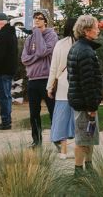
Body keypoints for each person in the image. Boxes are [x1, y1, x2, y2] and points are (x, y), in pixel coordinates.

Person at [66, 15, 103, 174]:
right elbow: (87, 82)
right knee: (83, 138)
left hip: (81, 101)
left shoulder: (77, 47)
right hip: (85, 104)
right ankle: (79, 171)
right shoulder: (85, 51)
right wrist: (91, 106)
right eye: (96, 27)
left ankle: (89, 167)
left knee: (90, 135)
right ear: (87, 31)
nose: (98, 30)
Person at [20, 11, 56, 146]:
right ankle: (36, 140)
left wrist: (38, 34)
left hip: (47, 79)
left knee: (53, 110)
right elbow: (24, 58)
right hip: (32, 80)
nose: (37, 20)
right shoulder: (30, 38)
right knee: (34, 112)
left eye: (40, 18)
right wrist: (36, 57)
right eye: (35, 18)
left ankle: (57, 139)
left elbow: (42, 51)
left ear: (46, 21)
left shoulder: (51, 36)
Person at [45, 20, 77, 158]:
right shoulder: (85, 44)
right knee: (79, 118)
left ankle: (63, 150)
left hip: (63, 85)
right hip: (78, 86)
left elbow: (54, 67)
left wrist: (50, 86)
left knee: (62, 118)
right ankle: (79, 151)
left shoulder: (60, 44)